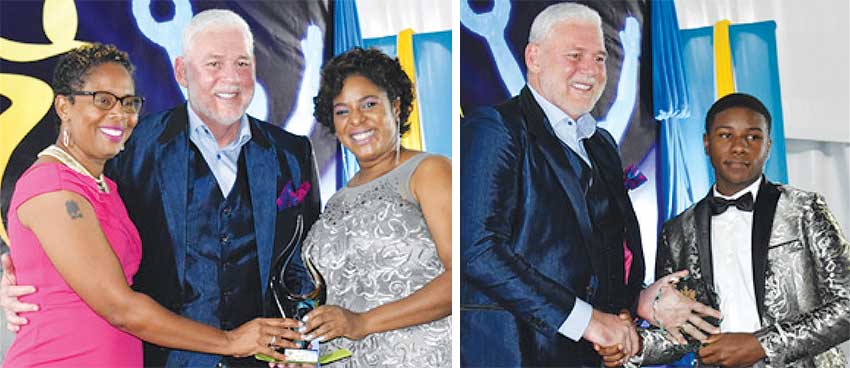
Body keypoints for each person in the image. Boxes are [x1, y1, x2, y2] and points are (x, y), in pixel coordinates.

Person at [1, 10, 321, 367]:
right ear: (182, 71)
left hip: (262, 359)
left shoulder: (291, 153)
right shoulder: (129, 149)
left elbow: (305, 263)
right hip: (161, 360)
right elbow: (92, 278)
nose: (230, 77)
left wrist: (301, 347)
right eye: (214, 63)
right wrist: (16, 277)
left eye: (242, 63)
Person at [460, 3, 722, 367]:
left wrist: (638, 301)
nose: (591, 70)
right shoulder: (494, 129)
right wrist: (589, 322)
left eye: (599, 58)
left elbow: (605, 256)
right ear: (533, 58)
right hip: (513, 353)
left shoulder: (601, 146)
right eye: (575, 55)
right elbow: (477, 250)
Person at [603, 93, 850, 367]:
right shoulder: (676, 233)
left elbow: (846, 305)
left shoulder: (804, 210)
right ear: (707, 143)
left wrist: (761, 345)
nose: (739, 147)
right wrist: (633, 345)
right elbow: (683, 329)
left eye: (753, 137)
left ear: (768, 146)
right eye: (725, 135)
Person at [291, 47, 451, 367]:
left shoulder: (428, 170)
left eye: (369, 104)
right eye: (342, 111)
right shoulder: (336, 199)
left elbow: (462, 277)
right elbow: (337, 305)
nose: (357, 120)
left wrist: (361, 322)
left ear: (395, 106)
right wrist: (306, 354)